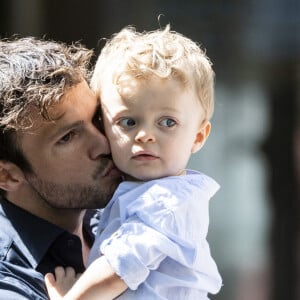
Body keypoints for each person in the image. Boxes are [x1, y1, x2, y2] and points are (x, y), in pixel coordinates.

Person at [45, 25, 222, 300]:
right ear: (104, 127)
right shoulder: (130, 190)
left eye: (167, 122)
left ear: (198, 136)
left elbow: (120, 268)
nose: (145, 135)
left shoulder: (168, 201)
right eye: (128, 122)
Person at [0, 37, 122, 299]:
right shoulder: (9, 282)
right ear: (7, 175)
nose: (103, 143)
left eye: (96, 117)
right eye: (67, 137)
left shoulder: (122, 216)